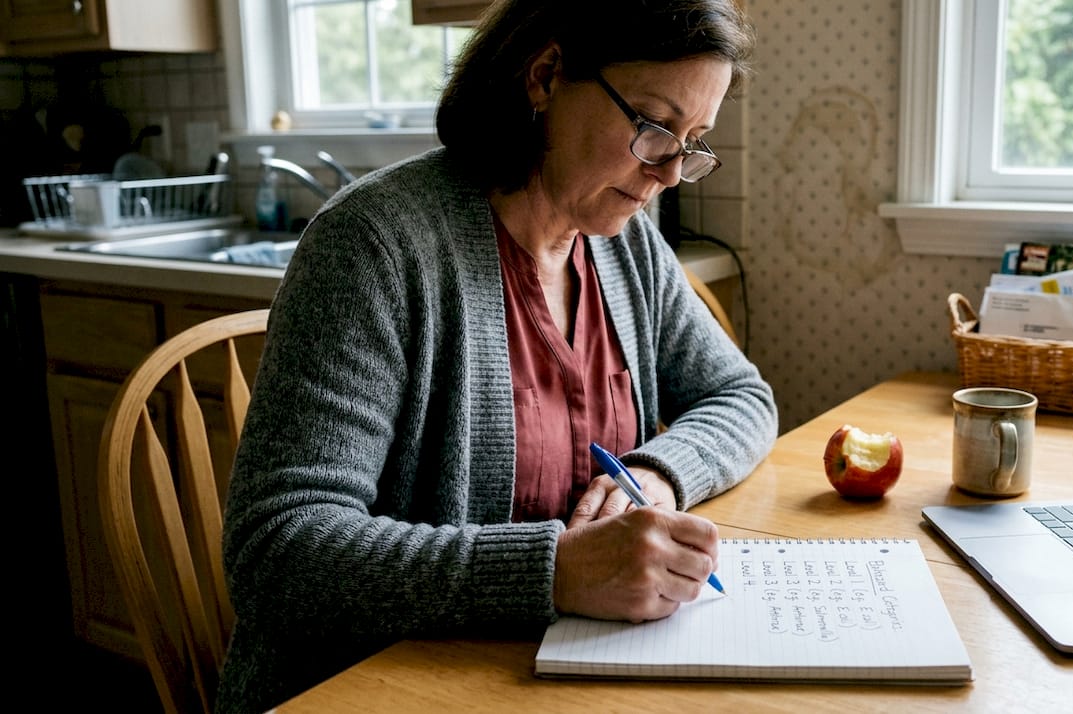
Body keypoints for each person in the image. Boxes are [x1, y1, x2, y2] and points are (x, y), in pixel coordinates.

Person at [217, 0, 777, 711]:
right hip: (370, 686)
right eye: (653, 126)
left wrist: (657, 474)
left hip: (544, 673)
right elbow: (279, 555)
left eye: (692, 141)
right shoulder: (373, 245)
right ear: (544, 77)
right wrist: (553, 574)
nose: (669, 172)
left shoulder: (623, 239)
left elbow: (741, 396)